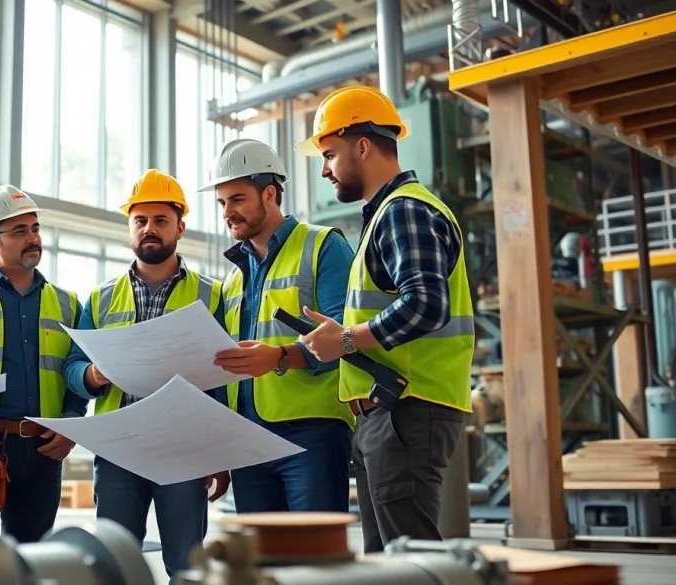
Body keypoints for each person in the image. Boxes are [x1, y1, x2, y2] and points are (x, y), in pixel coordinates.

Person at [294, 85, 474, 553]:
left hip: (406, 411)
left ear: (362, 147)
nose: (324, 170)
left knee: (411, 562)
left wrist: (345, 340)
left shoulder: (404, 211)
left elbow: (425, 304)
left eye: (329, 155)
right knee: (388, 563)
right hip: (392, 412)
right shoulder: (388, 215)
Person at [63, 169, 229, 581]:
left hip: (184, 450)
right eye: (140, 220)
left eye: (160, 220)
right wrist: (94, 375)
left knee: (187, 567)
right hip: (119, 449)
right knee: (114, 565)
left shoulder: (213, 295)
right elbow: (72, 368)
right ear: (130, 227)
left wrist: (219, 455)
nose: (149, 229)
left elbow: (226, 380)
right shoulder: (100, 298)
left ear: (180, 228)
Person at [206, 138, 356, 514]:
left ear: (269, 194)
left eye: (237, 199)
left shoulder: (323, 246)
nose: (228, 213)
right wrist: (220, 446)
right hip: (247, 441)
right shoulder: (232, 281)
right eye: (222, 203)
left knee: (312, 550)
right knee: (261, 553)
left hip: (312, 435)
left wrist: (281, 357)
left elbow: (347, 337)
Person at [0, 185, 85, 543]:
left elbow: (76, 367)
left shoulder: (68, 303)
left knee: (33, 556)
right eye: (20, 231)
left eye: (35, 228)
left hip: (43, 448)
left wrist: (72, 422)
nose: (33, 238)